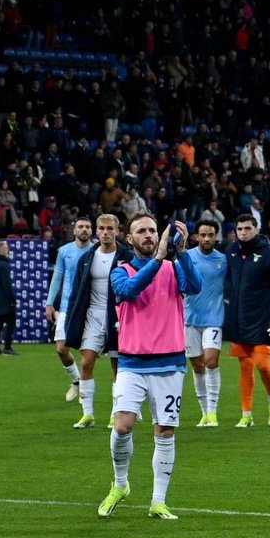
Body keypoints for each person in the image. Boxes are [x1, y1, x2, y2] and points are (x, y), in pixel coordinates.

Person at [97, 214, 202, 520]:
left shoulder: (173, 267)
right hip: (131, 363)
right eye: (141, 231)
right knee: (122, 425)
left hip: (169, 363)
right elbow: (130, 290)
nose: (148, 235)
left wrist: (181, 253)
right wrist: (158, 259)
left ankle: (158, 501)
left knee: (165, 430)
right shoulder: (120, 271)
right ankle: (120, 484)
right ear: (129, 239)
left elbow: (195, 285)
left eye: (153, 231)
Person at [225, 214, 270, 427]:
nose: (243, 233)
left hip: (263, 320)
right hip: (238, 320)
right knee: (245, 367)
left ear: (256, 229)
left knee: (263, 365)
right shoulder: (231, 251)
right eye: (239, 229)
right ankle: (246, 415)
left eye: (247, 228)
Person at [64, 214, 132, 428]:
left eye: (109, 228)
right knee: (86, 362)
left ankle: (115, 413)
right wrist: (73, 317)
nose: (105, 232)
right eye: (101, 228)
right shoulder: (87, 257)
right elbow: (77, 290)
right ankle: (88, 414)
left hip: (117, 315)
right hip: (93, 314)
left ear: (117, 230)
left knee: (118, 367)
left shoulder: (126, 256)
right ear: (96, 230)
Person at [184, 219, 227, 427]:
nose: (207, 238)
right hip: (189, 319)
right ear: (196, 237)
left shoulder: (224, 260)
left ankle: (212, 412)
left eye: (211, 235)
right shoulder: (187, 258)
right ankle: (204, 413)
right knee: (197, 366)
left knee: (211, 361)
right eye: (203, 235)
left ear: (216, 236)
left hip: (214, 318)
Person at [45, 217, 93, 401]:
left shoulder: (96, 251)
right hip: (66, 306)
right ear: (74, 231)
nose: (84, 230)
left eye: (87, 227)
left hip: (89, 306)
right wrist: (50, 303)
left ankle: (86, 394)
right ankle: (76, 380)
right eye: (80, 226)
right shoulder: (64, 251)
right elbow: (57, 277)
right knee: (61, 349)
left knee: (87, 352)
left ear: (91, 231)